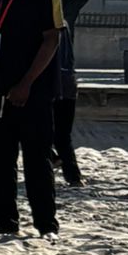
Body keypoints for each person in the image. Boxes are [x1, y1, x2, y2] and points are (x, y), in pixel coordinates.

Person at [0, 0, 64, 240]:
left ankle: (46, 225)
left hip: (35, 91)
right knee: (0, 158)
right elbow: (1, 35)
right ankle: (6, 221)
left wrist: (27, 83)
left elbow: (51, 40)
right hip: (0, 87)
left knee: (36, 158)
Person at [50, 26, 82, 189]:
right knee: (63, 135)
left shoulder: (47, 24)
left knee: (33, 127)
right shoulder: (63, 25)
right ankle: (73, 176)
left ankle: (54, 159)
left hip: (53, 84)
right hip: (67, 82)